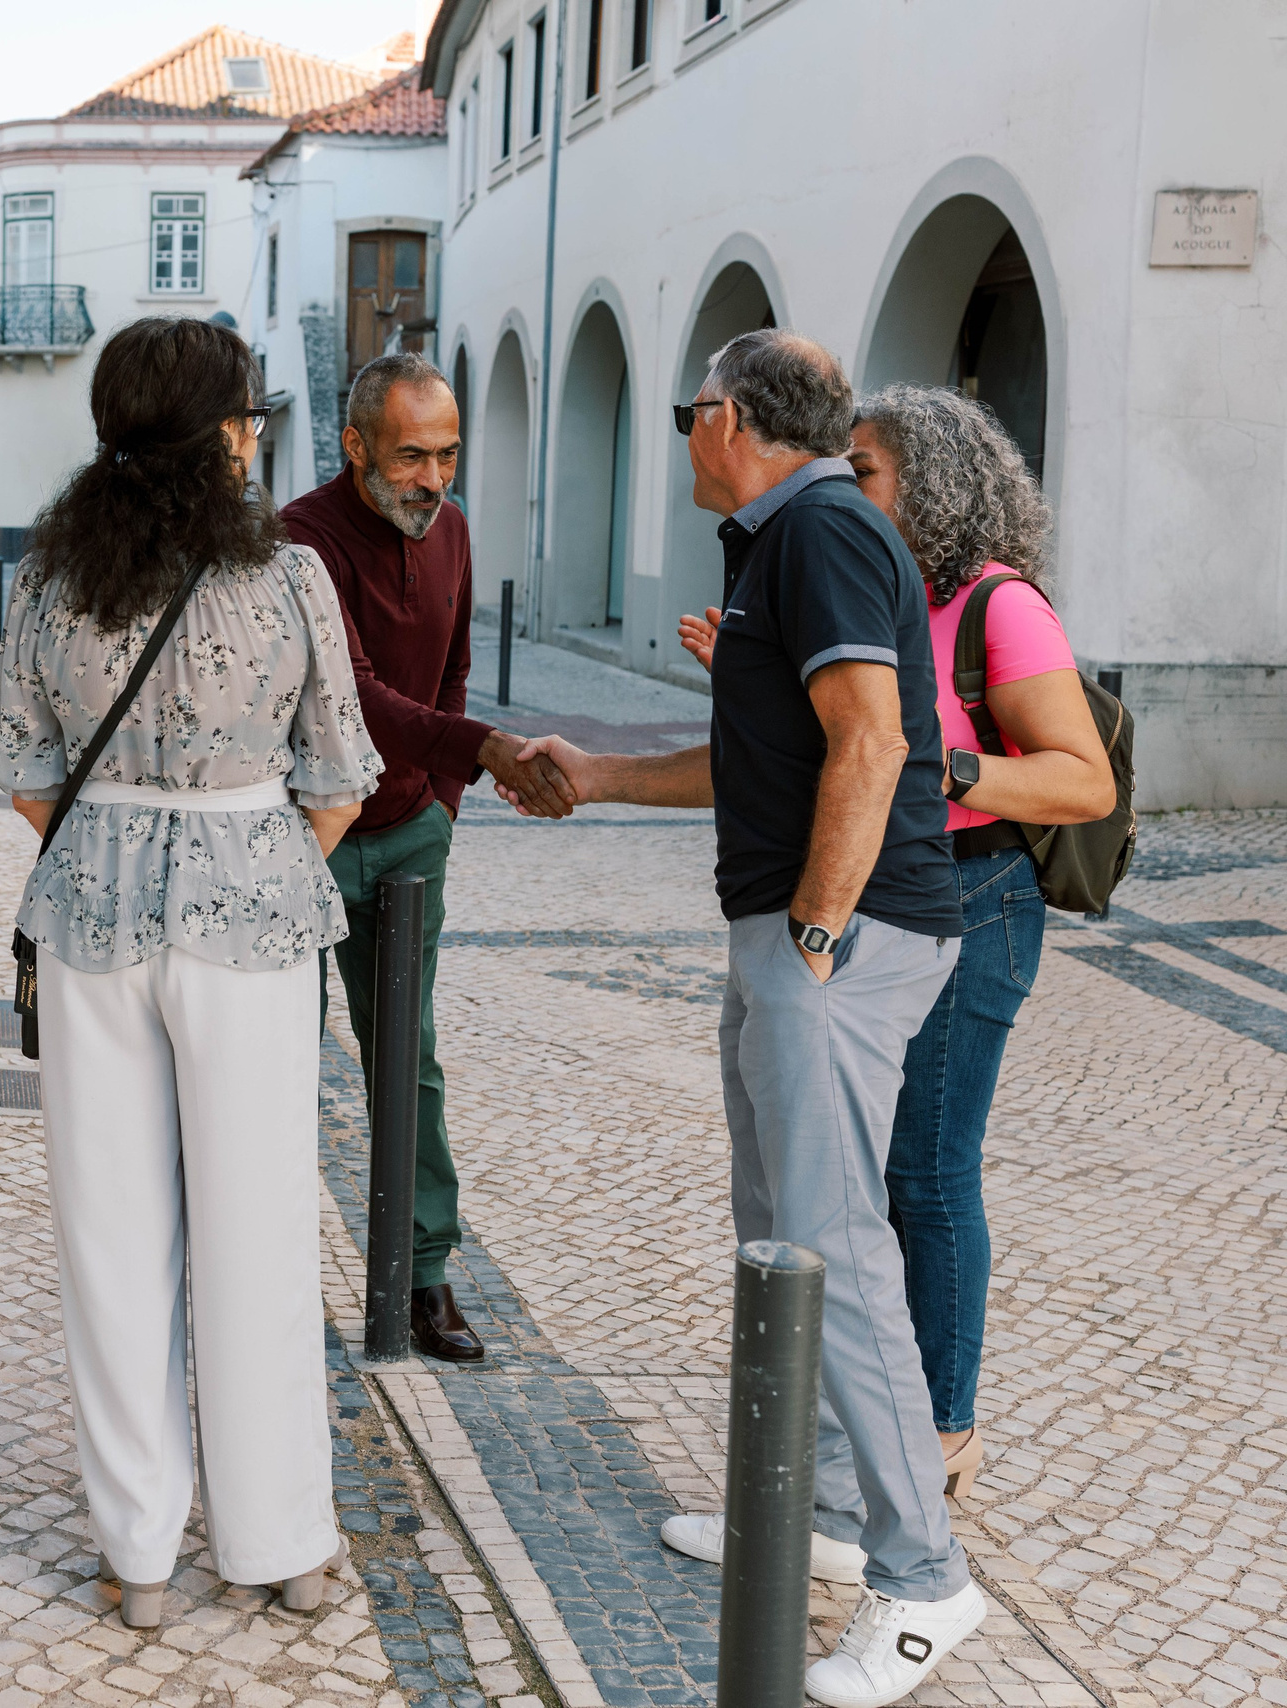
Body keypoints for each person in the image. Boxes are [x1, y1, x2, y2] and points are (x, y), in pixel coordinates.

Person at [501, 331, 985, 1708]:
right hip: (797, 933)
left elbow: (876, 743)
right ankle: (815, 1514)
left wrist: (818, 937)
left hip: (841, 939)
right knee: (782, 1238)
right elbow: (759, 756)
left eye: (682, 417)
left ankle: (924, 1579)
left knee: (835, 1250)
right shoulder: (782, 541)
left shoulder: (825, 530)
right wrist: (593, 775)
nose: (683, 441)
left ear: (729, 417)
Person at [0, 316, 382, 1630]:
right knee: (258, 1228)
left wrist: (119, 840)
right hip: (250, 915)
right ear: (221, 431)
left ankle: (136, 1553)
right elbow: (338, 777)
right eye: (248, 412)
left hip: (93, 909)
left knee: (110, 1234)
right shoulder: (289, 577)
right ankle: (277, 1544)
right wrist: (241, 840)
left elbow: (26, 768)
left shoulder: (49, 573)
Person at [680, 385, 1112, 1497]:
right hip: (878, 900)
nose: (839, 481)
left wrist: (935, 764)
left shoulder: (991, 604)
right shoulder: (861, 582)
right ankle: (849, 1458)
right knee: (849, 1176)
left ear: (934, 484)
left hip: (972, 900)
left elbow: (1079, 777)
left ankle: (943, 1428)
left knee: (921, 1169)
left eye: (862, 468)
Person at [280, 352, 574, 1363]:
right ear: (356, 445)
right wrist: (480, 751)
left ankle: (423, 1276)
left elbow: (446, 673)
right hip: (301, 841)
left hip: (409, 834)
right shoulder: (298, 542)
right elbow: (348, 692)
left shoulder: (447, 531)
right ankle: (266, 1271)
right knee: (275, 1057)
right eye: (410, 455)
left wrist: (442, 803)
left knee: (409, 1060)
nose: (433, 478)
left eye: (447, 454)